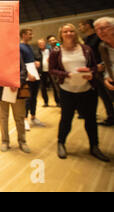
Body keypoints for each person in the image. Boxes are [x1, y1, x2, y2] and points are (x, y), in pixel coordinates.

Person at [49, 23, 110, 162]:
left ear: (75, 33)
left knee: (91, 120)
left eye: (71, 31)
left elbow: (94, 67)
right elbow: (52, 69)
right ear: (61, 35)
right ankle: (61, 143)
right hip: (67, 91)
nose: (69, 33)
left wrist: (91, 73)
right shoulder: (56, 51)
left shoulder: (86, 49)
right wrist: (66, 74)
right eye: (65, 31)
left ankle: (94, 147)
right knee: (66, 119)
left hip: (87, 90)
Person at [0, 56, 31, 153]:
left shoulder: (15, 52)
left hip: (16, 91)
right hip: (0, 90)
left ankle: (22, 141)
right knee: (3, 118)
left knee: (20, 118)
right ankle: (5, 141)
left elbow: (23, 71)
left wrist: (16, 82)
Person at [20, 28, 44, 130]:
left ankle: (33, 116)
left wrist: (35, 62)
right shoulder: (19, 46)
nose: (31, 36)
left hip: (35, 72)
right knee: (27, 98)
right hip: (27, 75)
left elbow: (30, 59)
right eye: (29, 34)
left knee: (34, 97)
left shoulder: (29, 46)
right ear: (23, 35)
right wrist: (28, 74)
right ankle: (25, 119)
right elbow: (21, 63)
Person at [94, 17, 114, 126]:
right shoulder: (102, 46)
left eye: (103, 28)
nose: (100, 32)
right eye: (97, 30)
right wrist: (107, 77)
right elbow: (108, 64)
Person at [37, 38, 59, 107]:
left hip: (51, 71)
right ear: (38, 45)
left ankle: (58, 102)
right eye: (40, 44)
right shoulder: (37, 52)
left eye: (42, 43)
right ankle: (46, 102)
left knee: (55, 87)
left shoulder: (50, 49)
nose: (41, 45)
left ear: (45, 43)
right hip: (42, 72)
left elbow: (58, 46)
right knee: (43, 88)